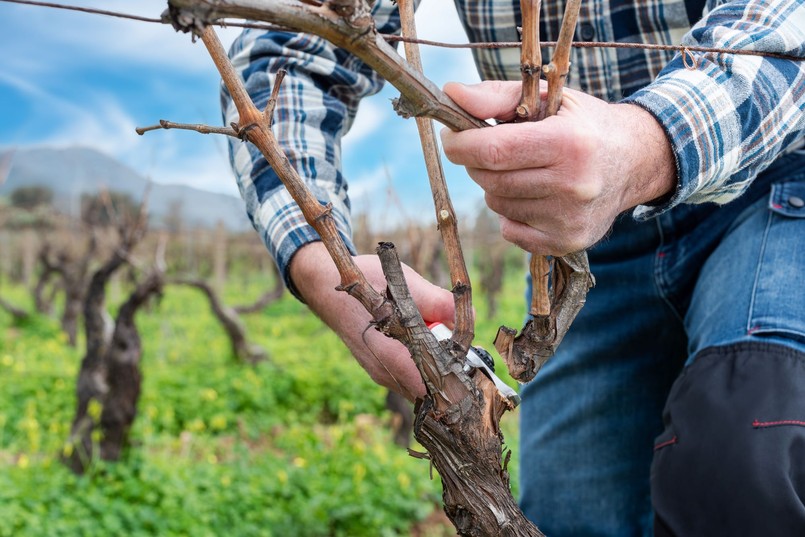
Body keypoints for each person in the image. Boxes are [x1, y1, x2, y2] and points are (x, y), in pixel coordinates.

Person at [222, 0, 805, 534]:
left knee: (748, 455)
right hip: (574, 239)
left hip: (771, 183)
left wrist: (644, 144)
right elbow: (290, 47)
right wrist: (323, 262)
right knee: (571, 514)